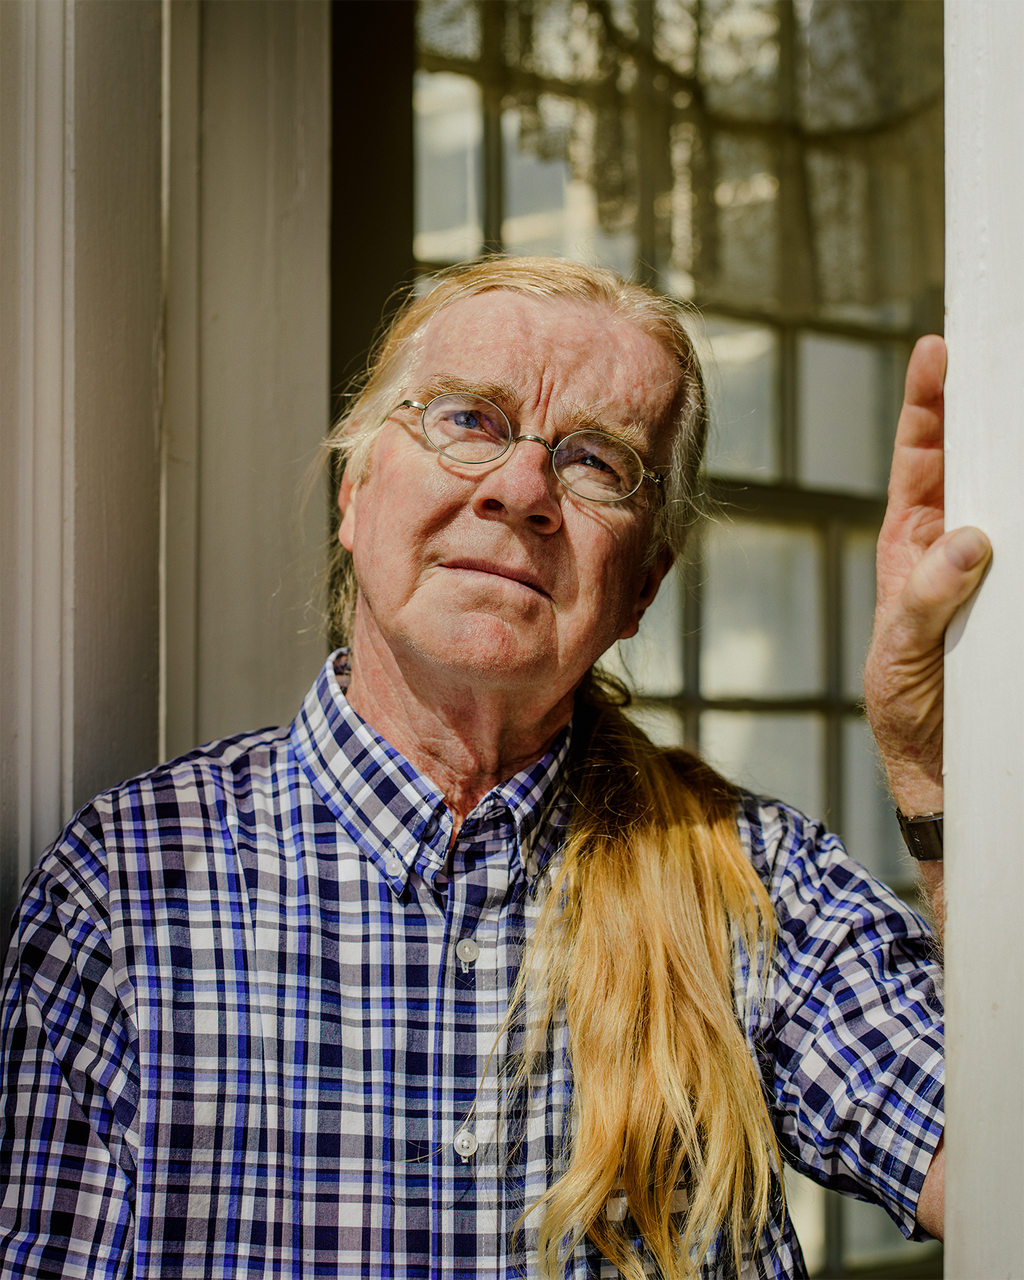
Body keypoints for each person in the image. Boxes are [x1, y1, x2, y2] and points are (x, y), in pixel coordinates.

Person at [0, 258, 990, 1280]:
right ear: (356, 490)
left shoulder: (756, 881)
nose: (520, 490)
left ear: (641, 585)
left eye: (596, 461)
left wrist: (928, 760)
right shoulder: (126, 884)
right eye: (470, 419)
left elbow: (994, 1166)